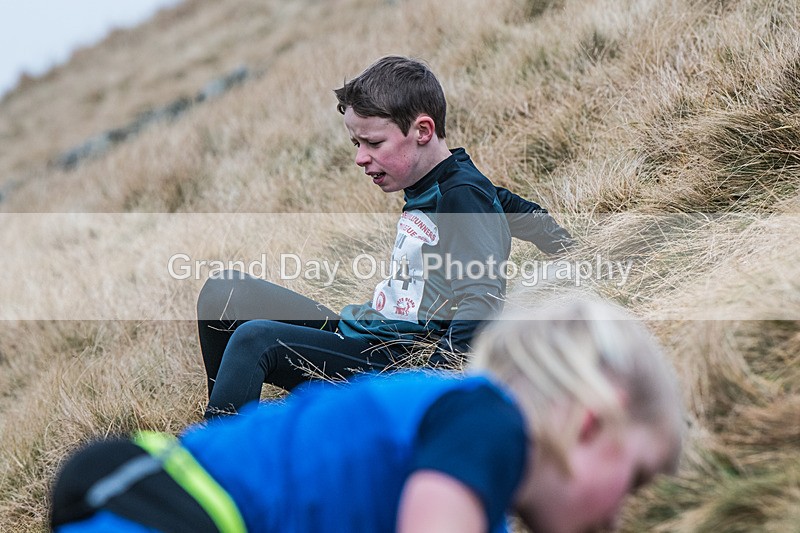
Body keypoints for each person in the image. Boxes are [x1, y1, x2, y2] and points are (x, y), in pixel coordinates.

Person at [50, 295, 685, 533]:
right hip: (174, 509)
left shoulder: (475, 482)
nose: (617, 516)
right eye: (634, 480)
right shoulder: (489, 424)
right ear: (591, 421)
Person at [197, 55, 573, 417]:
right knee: (222, 292)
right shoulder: (444, 181)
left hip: (386, 365)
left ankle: (216, 462)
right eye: (356, 144)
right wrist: (573, 248)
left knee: (255, 340)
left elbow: (482, 297)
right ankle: (227, 414)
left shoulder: (460, 195)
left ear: (422, 131)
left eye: (373, 144)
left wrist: (428, 385)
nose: (361, 158)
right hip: (365, 330)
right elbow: (516, 211)